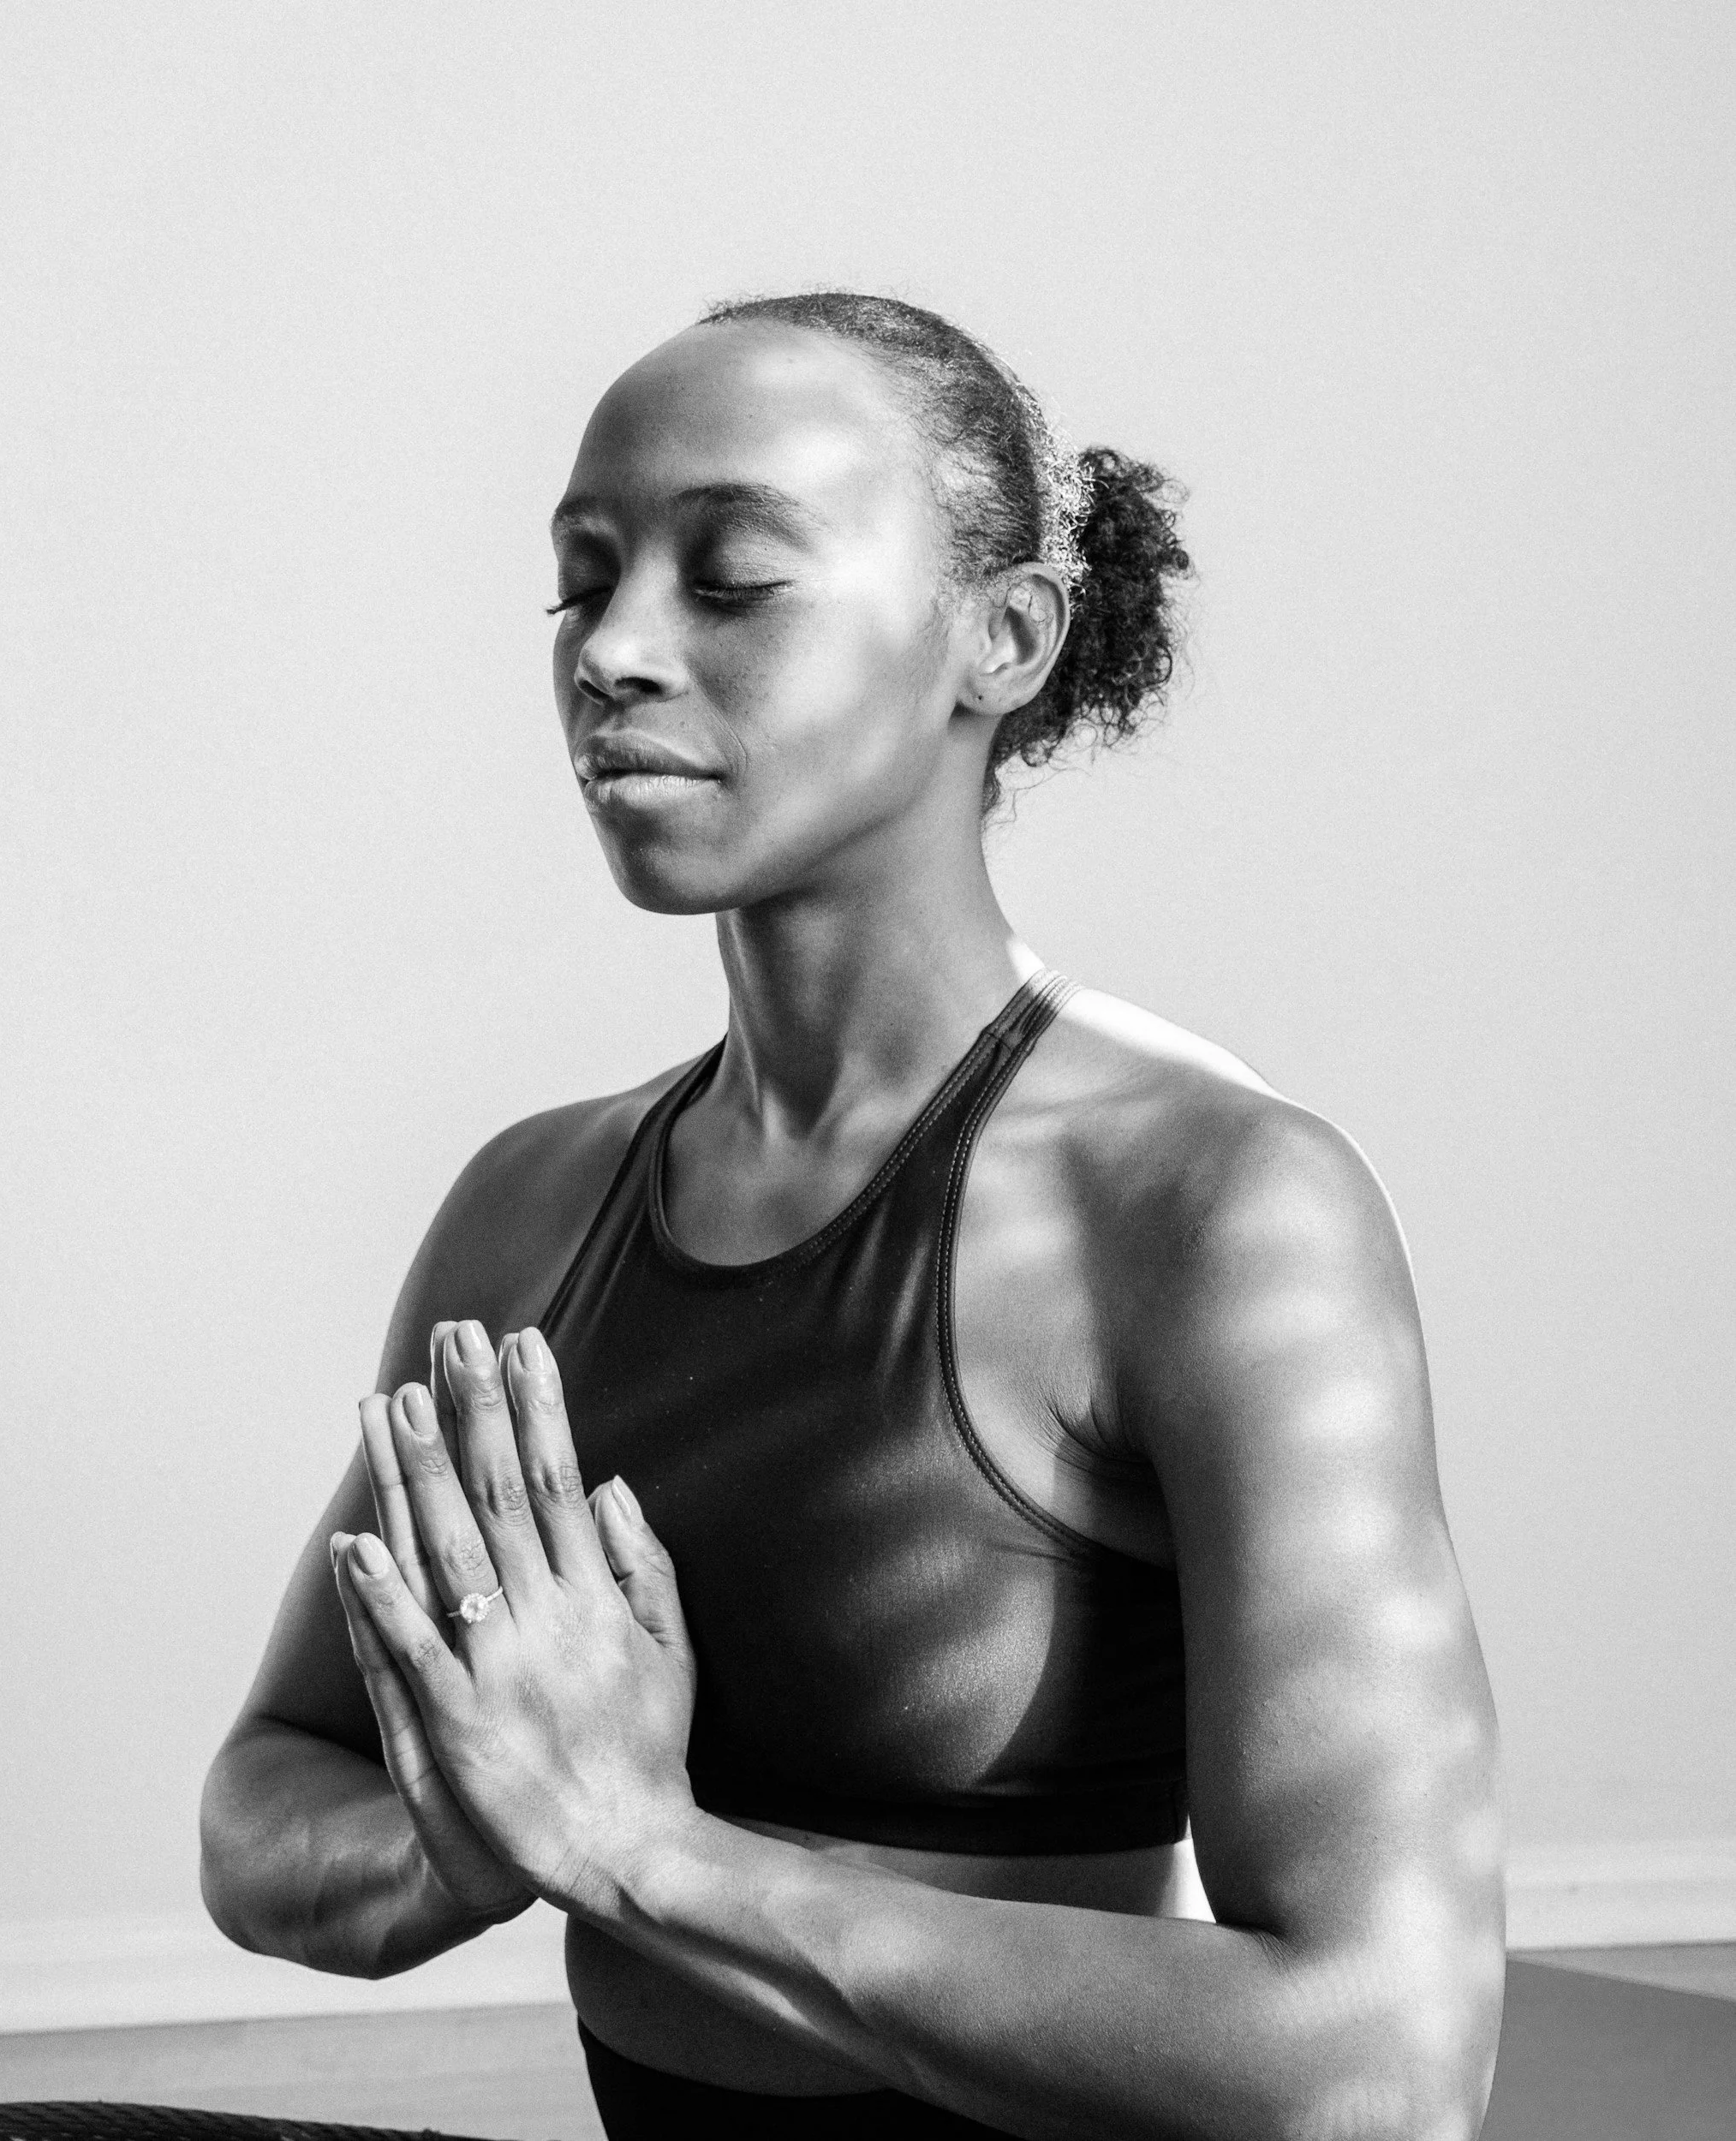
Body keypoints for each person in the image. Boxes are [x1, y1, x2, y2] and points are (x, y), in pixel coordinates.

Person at [200, 292, 1506, 2139]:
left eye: (729, 577)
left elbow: (1376, 2062)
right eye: (580, 581)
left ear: (1001, 636)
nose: (615, 650)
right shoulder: (528, 1208)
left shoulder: (1209, 1210)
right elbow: (266, 1789)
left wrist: (648, 1855)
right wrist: (466, 1840)